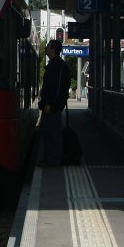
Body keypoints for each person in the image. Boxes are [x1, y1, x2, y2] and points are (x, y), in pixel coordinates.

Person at [39, 39, 71, 167]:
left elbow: (57, 88)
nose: (45, 48)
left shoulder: (57, 66)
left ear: (52, 49)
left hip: (52, 107)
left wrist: (51, 104)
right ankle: (48, 159)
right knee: (48, 132)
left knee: (53, 133)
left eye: (47, 46)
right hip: (50, 106)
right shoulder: (56, 65)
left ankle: (53, 160)